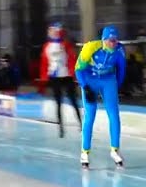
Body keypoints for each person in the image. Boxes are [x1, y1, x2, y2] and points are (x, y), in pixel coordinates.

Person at [75, 25, 127, 169]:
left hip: (108, 80)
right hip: (89, 79)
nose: (113, 43)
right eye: (110, 40)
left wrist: (118, 86)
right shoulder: (90, 47)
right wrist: (85, 87)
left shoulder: (119, 50)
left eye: (115, 40)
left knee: (114, 114)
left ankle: (115, 150)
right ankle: (85, 152)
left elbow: (122, 69)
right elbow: (78, 70)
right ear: (103, 40)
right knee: (90, 114)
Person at [41, 22, 81, 137]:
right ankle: (61, 128)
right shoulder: (47, 46)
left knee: (73, 101)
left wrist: (74, 74)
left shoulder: (65, 44)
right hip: (54, 77)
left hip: (66, 76)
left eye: (54, 30)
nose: (52, 32)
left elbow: (72, 58)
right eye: (51, 30)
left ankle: (81, 124)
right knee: (58, 103)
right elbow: (44, 63)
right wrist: (44, 77)